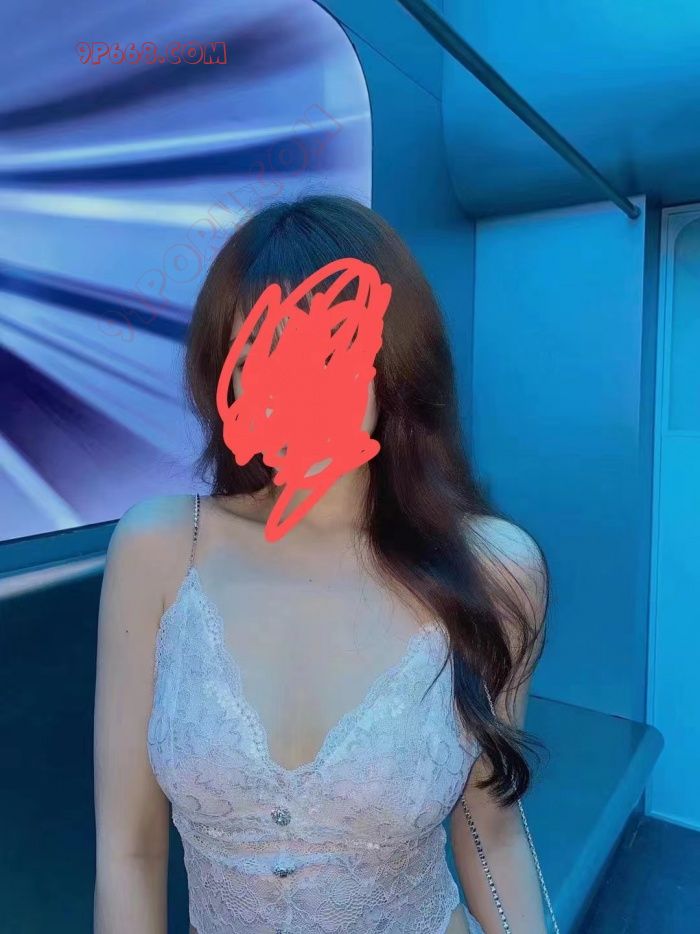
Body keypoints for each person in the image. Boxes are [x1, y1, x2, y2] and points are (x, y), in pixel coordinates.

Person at [93, 194, 550, 933]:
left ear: (392, 363)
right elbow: (128, 852)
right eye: (258, 357)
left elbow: (490, 827)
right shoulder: (161, 549)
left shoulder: (495, 573)